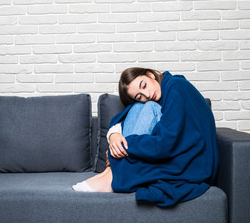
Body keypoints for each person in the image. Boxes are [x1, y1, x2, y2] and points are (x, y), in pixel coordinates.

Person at [72, 67, 219, 207]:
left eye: (144, 85)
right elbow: (122, 117)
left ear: (150, 75)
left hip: (195, 163)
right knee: (140, 106)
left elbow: (166, 141)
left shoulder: (176, 86)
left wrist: (124, 146)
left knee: (149, 106)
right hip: (172, 150)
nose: (147, 95)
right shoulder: (161, 96)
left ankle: (116, 172)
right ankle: (112, 171)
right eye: (139, 96)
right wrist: (114, 136)